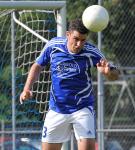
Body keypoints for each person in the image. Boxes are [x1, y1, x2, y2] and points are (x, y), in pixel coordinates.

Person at [20, 19, 120, 150]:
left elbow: (114, 72)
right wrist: (27, 88)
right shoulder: (53, 46)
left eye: (83, 40)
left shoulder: (91, 51)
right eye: (76, 39)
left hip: (82, 108)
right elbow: (38, 65)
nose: (79, 44)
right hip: (57, 108)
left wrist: (108, 72)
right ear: (68, 34)